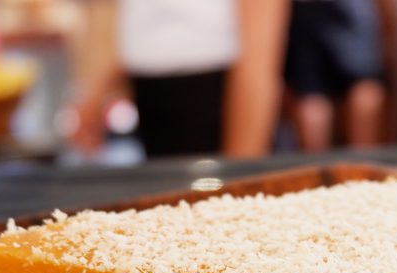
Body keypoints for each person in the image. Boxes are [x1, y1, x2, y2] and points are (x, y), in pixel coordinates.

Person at [70, 0, 288, 158]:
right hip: (152, 103)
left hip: (212, 102)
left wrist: (242, 173)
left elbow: (259, 62)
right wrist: (100, 90)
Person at [283, 0, 388, 151]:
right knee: (363, 86)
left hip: (302, 8)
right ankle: (362, 165)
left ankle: (318, 169)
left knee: (311, 97)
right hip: (347, 7)